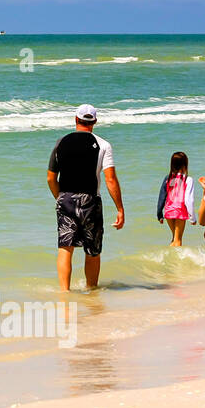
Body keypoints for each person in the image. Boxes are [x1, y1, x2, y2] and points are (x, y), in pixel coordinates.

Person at [46, 105, 124, 291]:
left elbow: (50, 178)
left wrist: (61, 198)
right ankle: (91, 291)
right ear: (95, 122)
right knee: (92, 251)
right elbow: (110, 179)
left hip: (65, 198)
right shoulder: (103, 145)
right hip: (90, 202)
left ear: (75, 119)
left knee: (65, 248)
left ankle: (65, 292)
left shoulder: (60, 142)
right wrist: (120, 209)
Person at [155, 151, 197, 246]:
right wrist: (192, 218)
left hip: (168, 210)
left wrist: (159, 214)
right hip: (179, 210)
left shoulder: (168, 178)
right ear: (185, 164)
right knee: (178, 240)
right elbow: (188, 200)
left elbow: (162, 196)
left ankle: (168, 258)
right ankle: (176, 260)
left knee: (174, 238)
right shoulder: (188, 179)